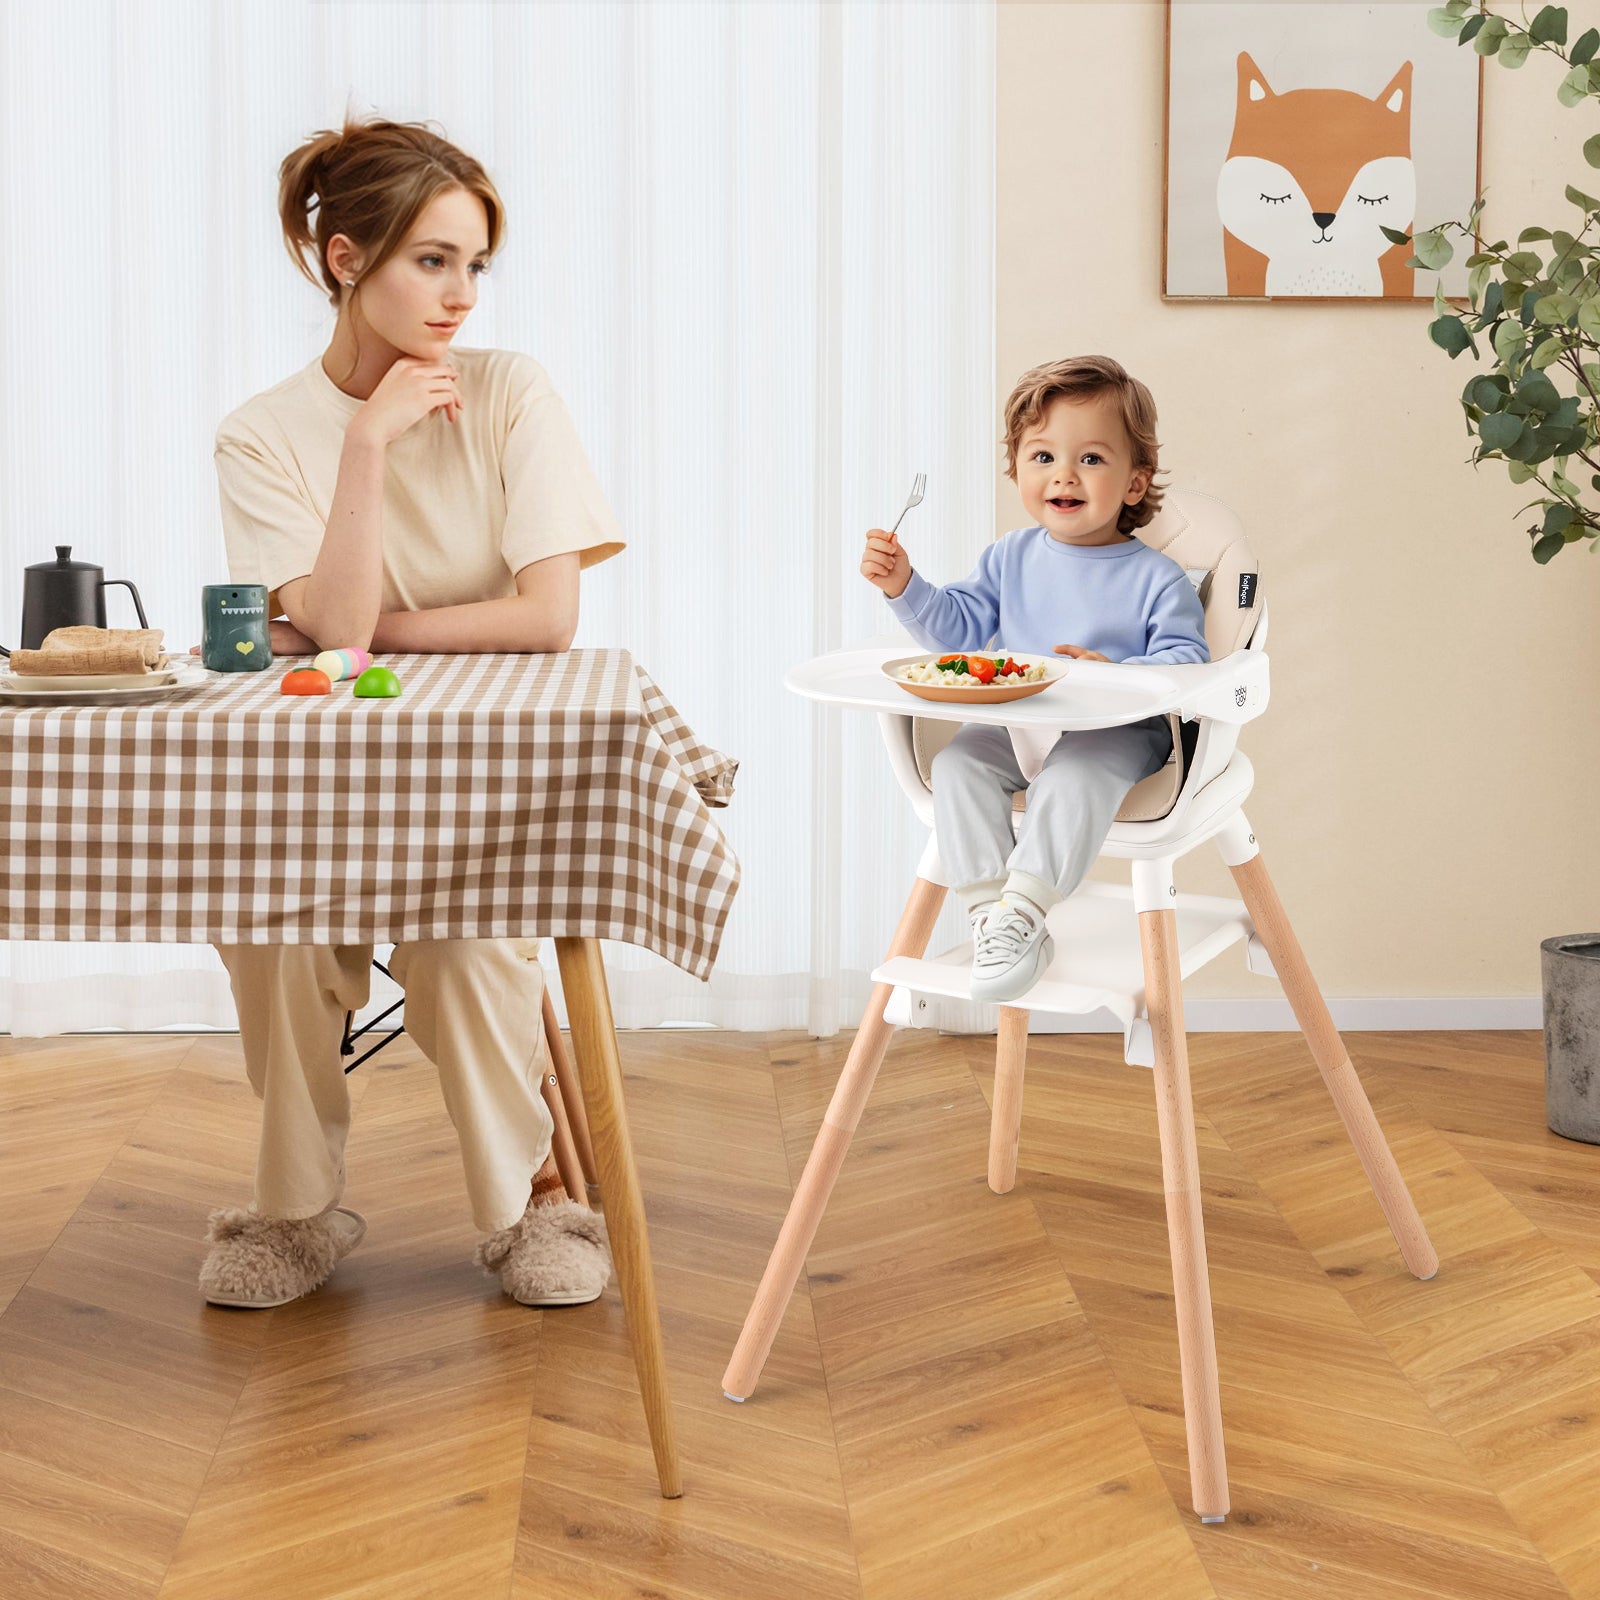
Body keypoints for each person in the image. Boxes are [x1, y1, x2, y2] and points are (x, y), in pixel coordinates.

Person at [201, 115, 624, 1311]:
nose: (460, 297)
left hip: (480, 785)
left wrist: (368, 631)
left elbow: (546, 617)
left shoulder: (508, 393)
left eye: (474, 264)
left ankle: (533, 1205)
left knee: (468, 943)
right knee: (267, 928)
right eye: (431, 260)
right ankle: (294, 1212)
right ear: (346, 260)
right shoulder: (260, 434)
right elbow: (329, 625)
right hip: (314, 791)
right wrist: (369, 444)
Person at [859, 355, 1209, 1004]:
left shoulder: (1155, 577)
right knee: (960, 764)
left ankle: (1026, 906)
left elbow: (1188, 663)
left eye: (1092, 459)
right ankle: (991, 914)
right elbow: (960, 634)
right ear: (1017, 470)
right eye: (1042, 457)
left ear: (1136, 483)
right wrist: (903, 585)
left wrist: (1120, 676)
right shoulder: (1009, 557)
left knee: (1075, 776)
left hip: (1116, 731)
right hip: (1019, 722)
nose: (1064, 475)